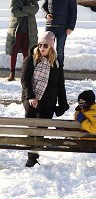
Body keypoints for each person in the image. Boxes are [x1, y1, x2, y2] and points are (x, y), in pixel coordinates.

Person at [20, 31, 69, 167]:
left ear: (51, 47)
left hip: (48, 101)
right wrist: (30, 96)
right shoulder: (31, 59)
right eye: (40, 44)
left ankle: (34, 156)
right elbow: (25, 80)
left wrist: (63, 104)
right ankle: (31, 157)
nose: (42, 48)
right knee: (32, 129)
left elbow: (60, 85)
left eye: (45, 45)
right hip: (32, 100)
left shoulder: (56, 63)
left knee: (41, 130)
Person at [5, 0, 40, 81]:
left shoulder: (31, 0)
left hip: (28, 30)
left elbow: (35, 9)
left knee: (27, 52)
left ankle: (25, 73)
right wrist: (27, 12)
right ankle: (12, 73)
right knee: (13, 51)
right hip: (16, 30)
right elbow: (14, 12)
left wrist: (23, 9)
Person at [42, 0, 77, 68]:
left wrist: (70, 27)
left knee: (60, 50)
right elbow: (43, 7)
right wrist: (46, 15)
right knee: (46, 48)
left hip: (63, 28)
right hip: (50, 26)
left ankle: (59, 71)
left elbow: (73, 12)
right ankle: (46, 68)